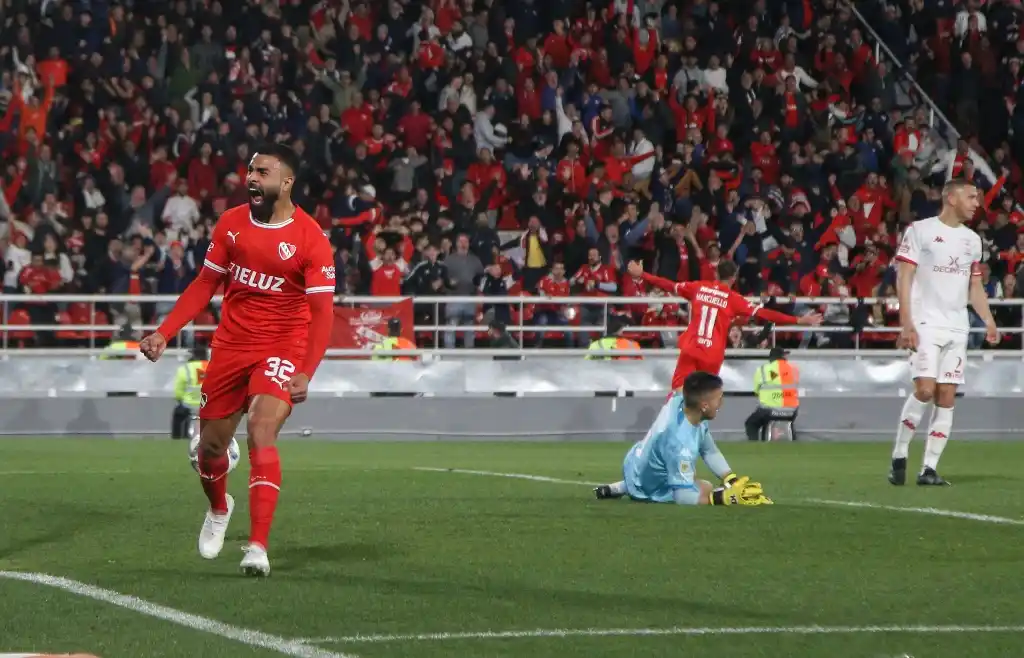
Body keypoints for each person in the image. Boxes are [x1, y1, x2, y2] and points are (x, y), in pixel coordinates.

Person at [139, 144, 336, 577]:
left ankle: (258, 547)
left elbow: (323, 313)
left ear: (286, 182)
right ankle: (218, 506)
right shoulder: (231, 224)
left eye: (262, 172)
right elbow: (204, 283)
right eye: (249, 170)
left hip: (283, 346)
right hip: (231, 346)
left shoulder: (311, 239)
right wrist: (163, 331)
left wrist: (307, 370)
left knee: (262, 430)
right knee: (210, 448)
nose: (251, 177)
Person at [889, 179, 998, 486]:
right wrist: (906, 322)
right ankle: (899, 453)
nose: (977, 202)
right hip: (925, 321)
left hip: (957, 326)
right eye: (971, 196)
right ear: (951, 198)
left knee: (946, 396)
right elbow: (905, 276)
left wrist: (988, 319)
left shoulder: (972, 241)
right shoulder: (920, 231)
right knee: (924, 390)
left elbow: (973, 285)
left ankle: (929, 469)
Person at [625, 260, 823, 390]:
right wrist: (798, 320)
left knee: (677, 394)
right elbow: (765, 313)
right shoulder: (733, 299)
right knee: (705, 400)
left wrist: (643, 274)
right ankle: (700, 438)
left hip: (692, 348)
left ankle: (670, 435)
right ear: (734, 278)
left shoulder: (698, 287)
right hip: (712, 355)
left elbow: (667, 284)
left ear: (716, 274)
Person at [594, 371, 773, 506]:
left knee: (690, 475)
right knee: (705, 486)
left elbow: (709, 450)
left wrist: (731, 479)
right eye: (719, 399)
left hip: (636, 460)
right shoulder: (681, 444)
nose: (721, 403)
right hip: (648, 487)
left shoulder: (681, 402)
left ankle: (621, 487)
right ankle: (630, 488)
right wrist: (724, 497)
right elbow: (683, 497)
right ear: (704, 406)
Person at [745, 347, 800, 441]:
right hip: (791, 412)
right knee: (788, 423)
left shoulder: (762, 370)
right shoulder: (794, 369)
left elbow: (757, 391)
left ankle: (754, 447)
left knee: (751, 423)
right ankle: (792, 440)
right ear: (783, 357)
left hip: (769, 411)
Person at [171, 344, 209, 439]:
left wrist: (180, 399)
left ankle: (177, 438)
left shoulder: (185, 369)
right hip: (209, 405)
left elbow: (178, 392)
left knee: (178, 415)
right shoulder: (214, 367)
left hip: (189, 405)